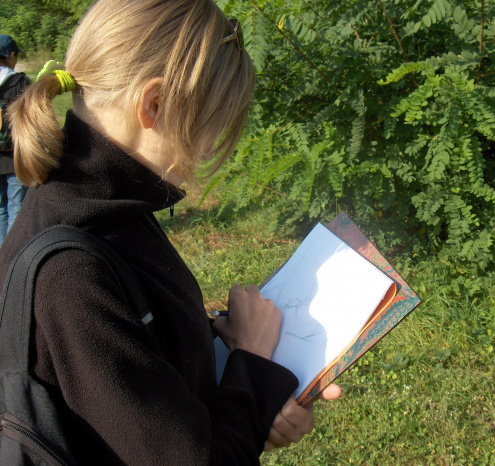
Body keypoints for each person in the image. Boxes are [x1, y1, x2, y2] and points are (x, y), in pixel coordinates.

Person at [0, 0, 340, 464]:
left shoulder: (110, 209)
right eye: (212, 128)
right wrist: (255, 360)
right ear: (154, 104)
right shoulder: (70, 277)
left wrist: (250, 387)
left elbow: (150, 360)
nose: (210, 151)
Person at [0, 34, 29, 245]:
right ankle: (11, 258)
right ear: (10, 55)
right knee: (16, 207)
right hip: (14, 156)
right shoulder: (20, 83)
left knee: (0, 210)